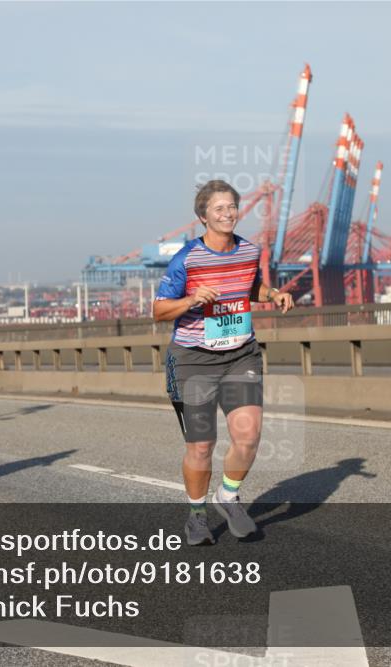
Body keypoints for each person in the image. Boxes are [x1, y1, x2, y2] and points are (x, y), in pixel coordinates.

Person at [153, 180, 294, 546]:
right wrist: (191, 300)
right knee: (201, 445)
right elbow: (158, 310)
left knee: (248, 435)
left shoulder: (248, 252)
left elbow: (251, 288)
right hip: (193, 360)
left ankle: (228, 497)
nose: (227, 213)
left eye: (232, 206)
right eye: (219, 208)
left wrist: (274, 295)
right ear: (203, 217)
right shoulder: (187, 258)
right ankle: (196, 516)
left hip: (240, 355)